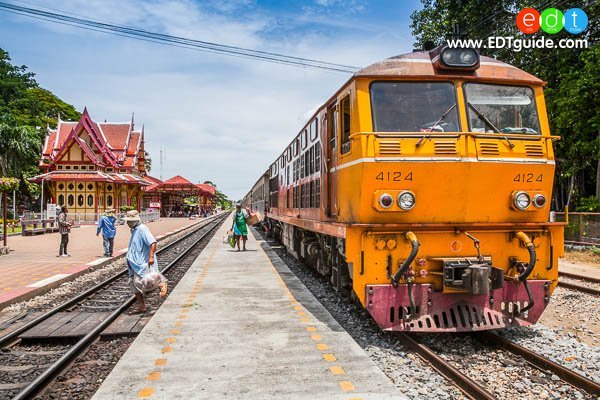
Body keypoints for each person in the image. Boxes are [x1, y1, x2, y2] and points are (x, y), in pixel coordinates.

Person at [124, 210, 166, 314]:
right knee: (133, 285)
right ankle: (142, 306)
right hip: (134, 264)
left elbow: (153, 243)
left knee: (146, 281)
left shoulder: (142, 229)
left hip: (142, 262)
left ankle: (161, 284)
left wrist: (151, 257)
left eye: (129, 221)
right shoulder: (135, 230)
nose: (127, 223)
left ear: (134, 221)